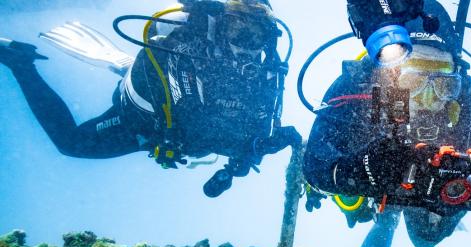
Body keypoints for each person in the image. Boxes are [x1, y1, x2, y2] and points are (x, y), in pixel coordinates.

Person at [302, 1, 471, 247]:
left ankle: (408, 209)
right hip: (369, 184)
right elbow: (314, 164)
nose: (428, 99)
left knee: (426, 238)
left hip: (428, 191)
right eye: (413, 81)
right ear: (390, 75)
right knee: (357, 210)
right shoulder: (359, 85)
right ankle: (386, 219)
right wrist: (361, 169)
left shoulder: (465, 100)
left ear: (456, 79)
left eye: (443, 86)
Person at [0, 0, 299, 197]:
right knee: (71, 143)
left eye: (257, 36)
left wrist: (259, 146)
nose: (247, 44)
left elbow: (254, 131)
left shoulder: (264, 72)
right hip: (142, 122)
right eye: (239, 30)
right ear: (222, 24)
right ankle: (21, 64)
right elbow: (193, 125)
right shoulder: (187, 41)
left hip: (190, 135)